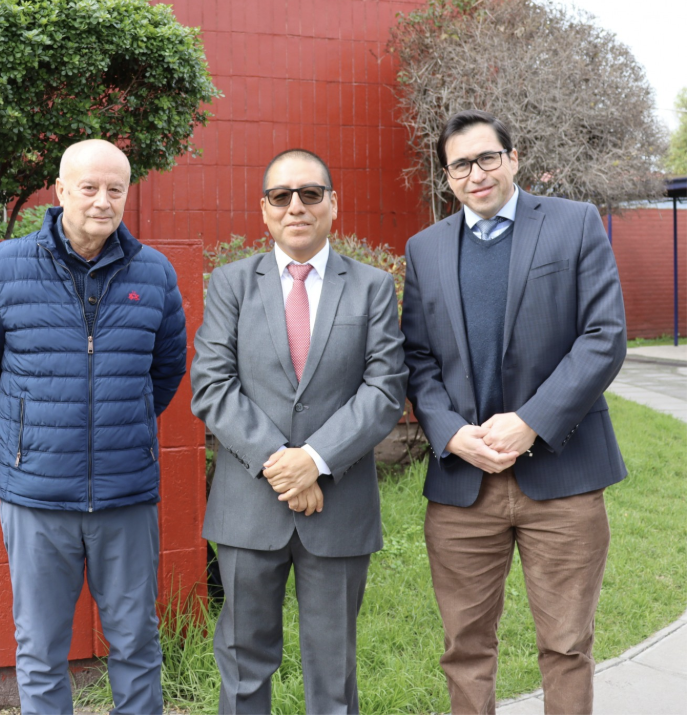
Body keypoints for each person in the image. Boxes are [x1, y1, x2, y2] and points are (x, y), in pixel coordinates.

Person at [401, 110, 627, 715]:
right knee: (465, 649)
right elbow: (416, 358)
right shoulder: (424, 249)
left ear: (513, 158)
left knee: (567, 646)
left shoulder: (574, 223)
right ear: (447, 177)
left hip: (563, 476)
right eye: (460, 165)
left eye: (487, 158)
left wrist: (530, 422)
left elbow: (604, 336)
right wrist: (450, 433)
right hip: (463, 484)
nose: (476, 174)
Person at [0, 139, 187, 715]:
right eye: (89, 187)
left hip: (126, 493)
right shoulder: (0, 268)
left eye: (115, 189)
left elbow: (166, 370)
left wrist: (115, 427)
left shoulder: (154, 273)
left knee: (136, 642)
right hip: (36, 496)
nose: (103, 201)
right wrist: (29, 432)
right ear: (60, 191)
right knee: (40, 648)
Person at [191, 149, 407, 714]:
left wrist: (315, 459)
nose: (296, 207)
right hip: (247, 509)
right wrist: (281, 462)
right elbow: (211, 385)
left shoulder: (371, 287)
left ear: (333, 205)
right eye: (281, 196)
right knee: (242, 666)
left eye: (310, 194)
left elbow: (385, 390)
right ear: (264, 209)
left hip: (338, 508)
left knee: (333, 675)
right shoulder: (231, 284)